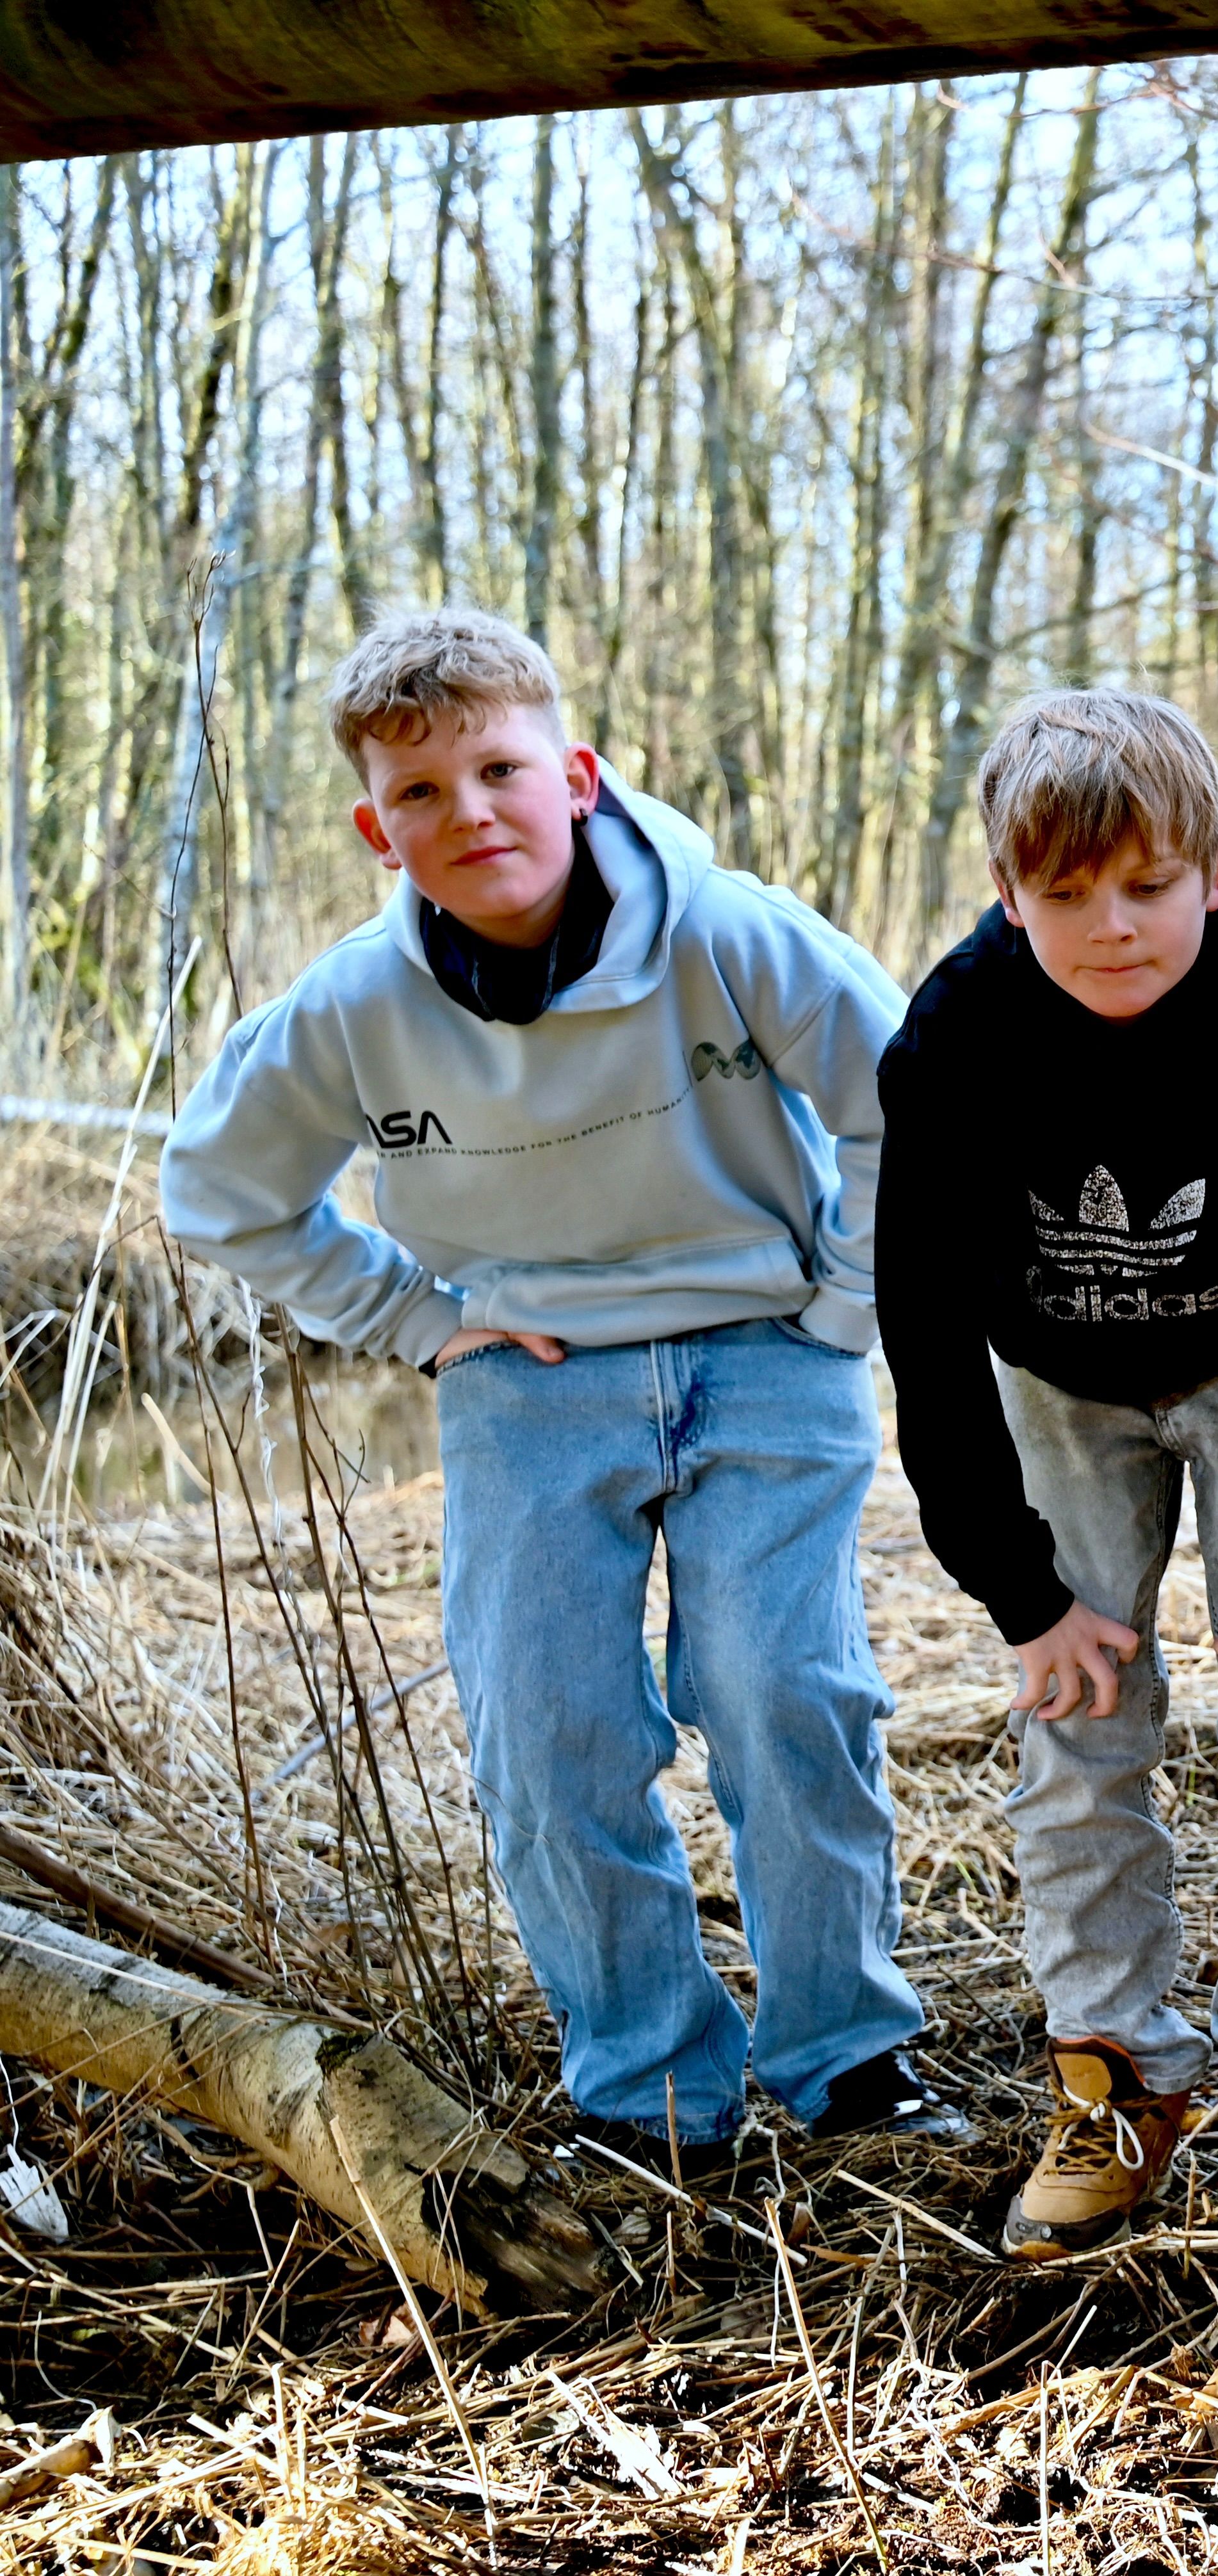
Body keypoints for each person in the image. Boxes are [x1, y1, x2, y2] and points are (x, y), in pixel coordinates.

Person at [159, 609, 957, 2166]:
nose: (470, 814)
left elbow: (903, 1096)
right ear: (373, 827)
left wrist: (848, 1307)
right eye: (421, 793)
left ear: (577, 774)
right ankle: (653, 2084)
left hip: (762, 1353)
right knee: (547, 1731)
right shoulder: (350, 1010)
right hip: (526, 1380)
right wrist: (403, 1315)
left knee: (783, 1693)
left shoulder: (728, 931)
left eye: (500, 770)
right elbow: (220, 1189)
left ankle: (845, 2051)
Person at [879, 692, 1218, 2259]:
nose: (1111, 927)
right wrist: (1022, 1594)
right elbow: (921, 1323)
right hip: (1056, 1385)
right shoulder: (958, 1034)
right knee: (1079, 1727)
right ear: (1004, 887)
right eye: (1064, 895)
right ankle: (1115, 2077)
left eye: (1149, 886)